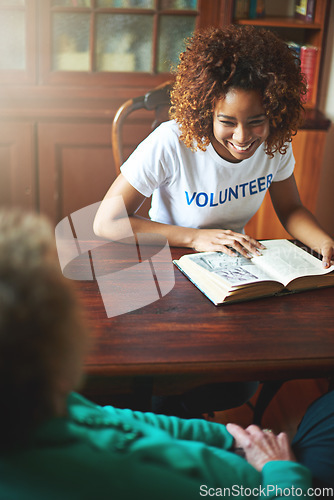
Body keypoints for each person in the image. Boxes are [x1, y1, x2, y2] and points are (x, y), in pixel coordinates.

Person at [0, 208, 327, 498]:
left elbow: (121, 420)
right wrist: (280, 470)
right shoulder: (93, 478)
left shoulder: (44, 403)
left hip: (242, 455)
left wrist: (232, 437)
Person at [93, 25, 334, 417]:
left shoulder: (276, 144)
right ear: (206, 110)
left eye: (257, 121)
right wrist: (195, 237)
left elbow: (290, 210)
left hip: (231, 271)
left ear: (274, 111)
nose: (243, 137)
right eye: (228, 121)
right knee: (166, 384)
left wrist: (324, 240)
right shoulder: (172, 142)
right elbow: (107, 222)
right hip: (165, 268)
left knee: (237, 378)